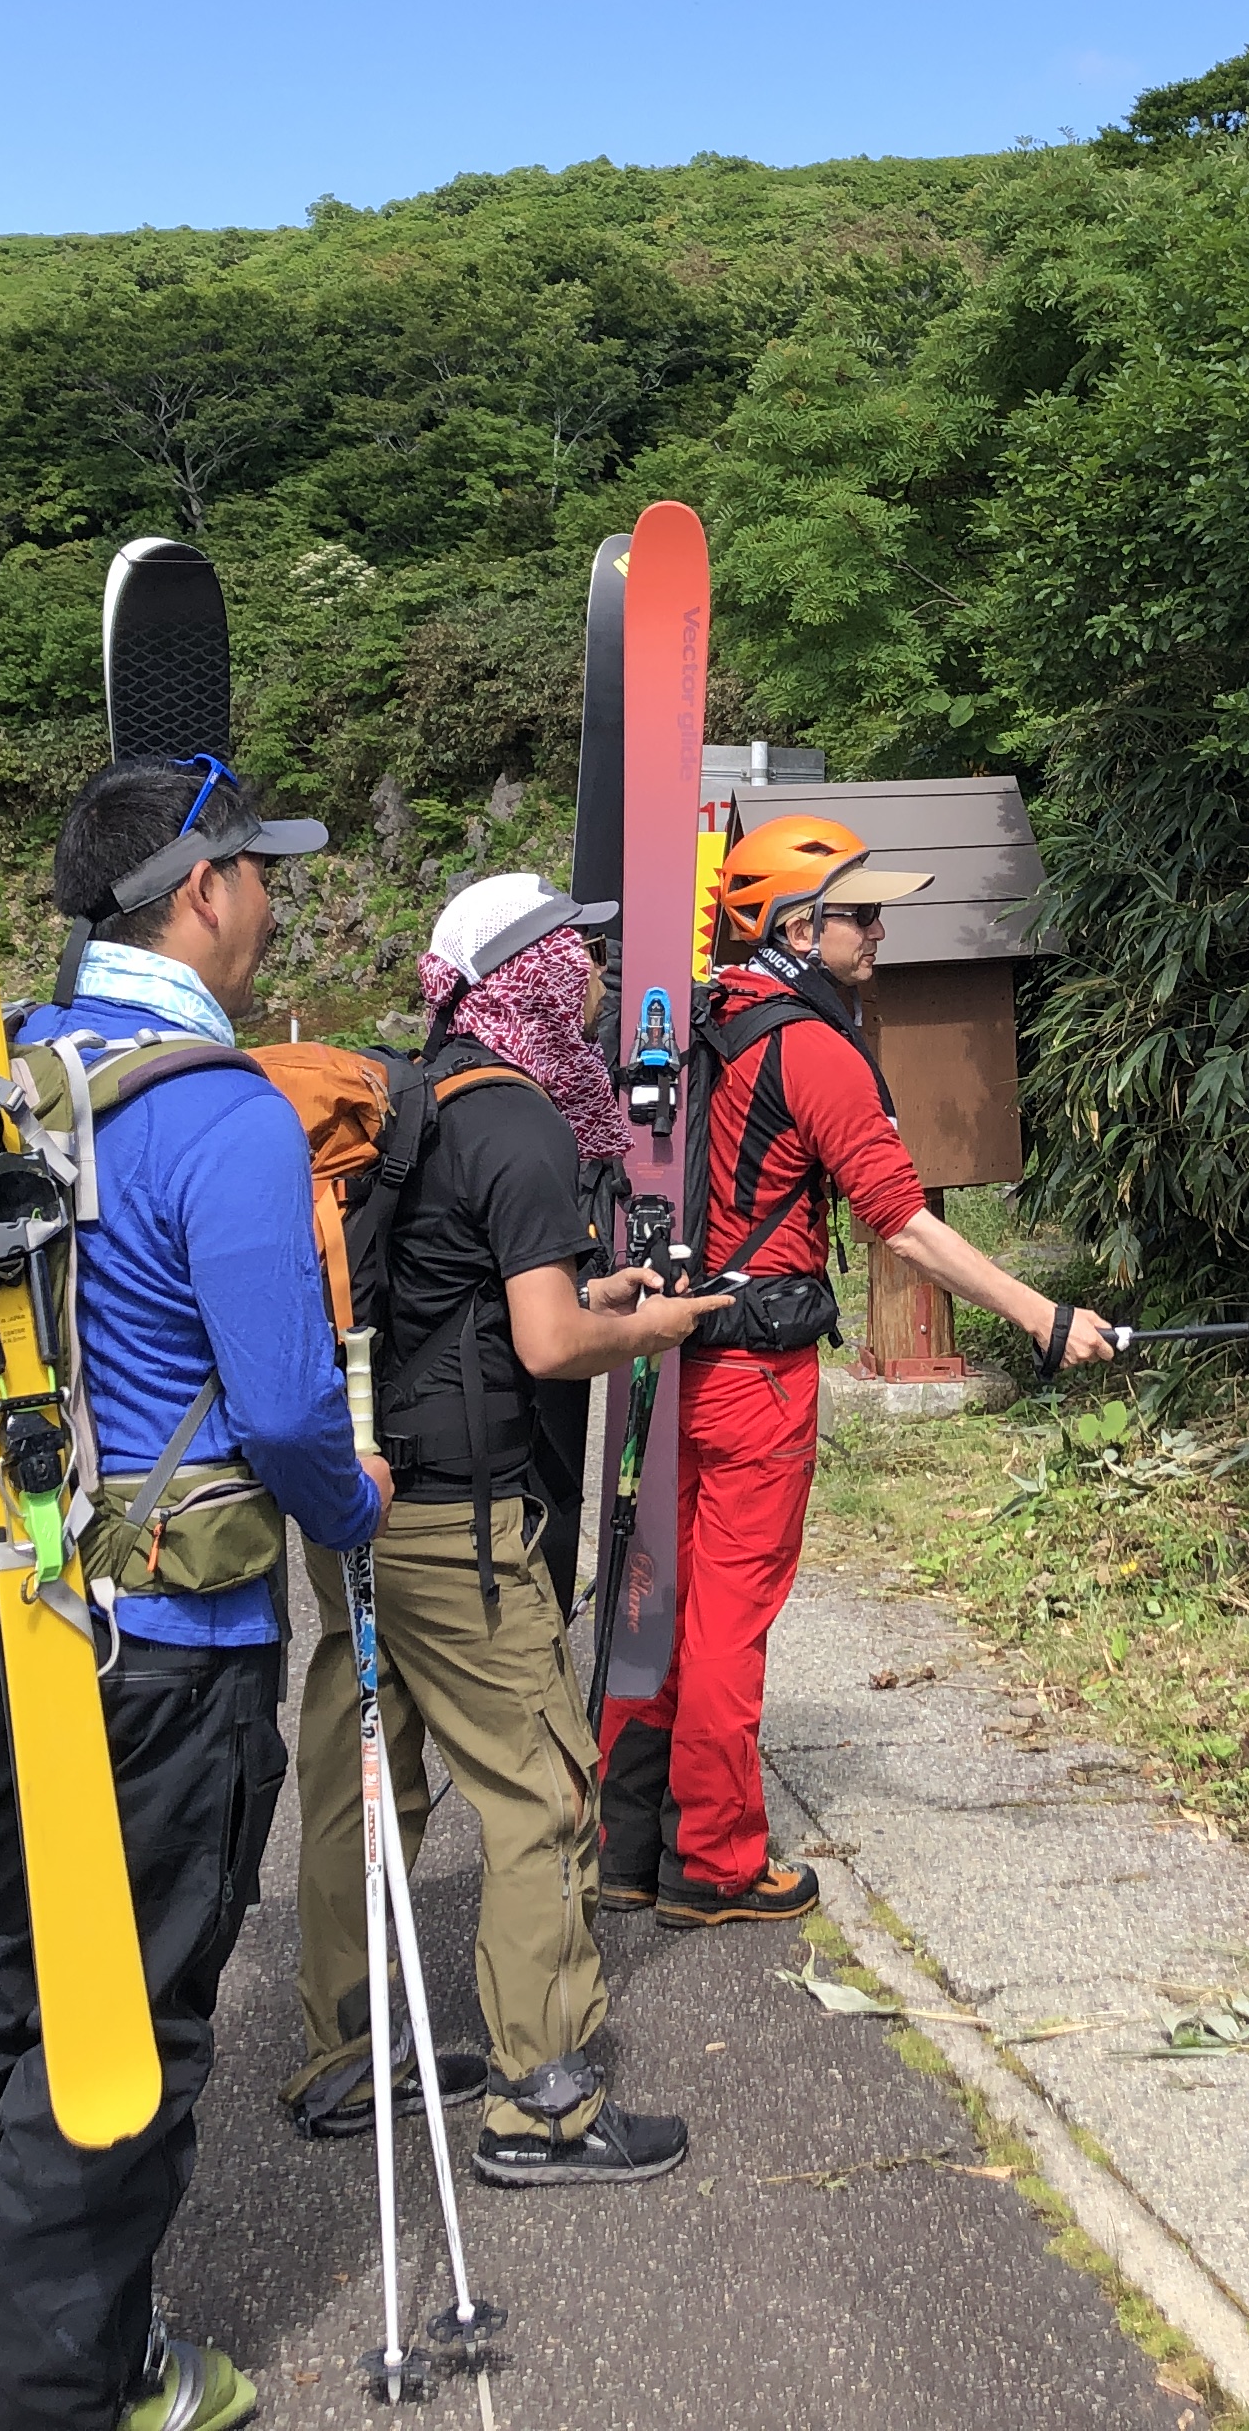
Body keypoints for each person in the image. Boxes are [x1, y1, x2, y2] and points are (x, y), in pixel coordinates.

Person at [0, 755, 377, 2431]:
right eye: (260, 871)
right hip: (174, 1647)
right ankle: (55, 2383)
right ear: (201, 891)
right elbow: (287, 1409)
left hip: (33, 1614)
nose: (272, 900)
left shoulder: (16, 1073)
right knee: (123, 2017)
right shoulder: (222, 1111)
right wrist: (356, 1498)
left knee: (7, 1950)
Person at [283, 871, 732, 2184]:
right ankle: (544, 2104)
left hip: (363, 1497)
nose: (592, 978)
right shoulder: (525, 1120)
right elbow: (543, 1344)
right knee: (542, 1792)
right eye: (574, 957)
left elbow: (455, 1294)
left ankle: (348, 2056)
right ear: (529, 977)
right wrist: (647, 1326)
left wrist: (593, 1292)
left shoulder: (412, 1104)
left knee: (365, 1786)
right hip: (461, 1528)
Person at [599, 814, 1115, 1929]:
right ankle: (715, 1864)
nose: (880, 932)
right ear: (797, 927)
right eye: (861, 914)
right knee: (728, 1617)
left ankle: (626, 1848)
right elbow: (905, 1224)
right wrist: (1043, 1314)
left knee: (661, 1600)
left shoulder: (693, 1025)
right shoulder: (815, 1051)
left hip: (670, 1360)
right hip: (757, 1380)